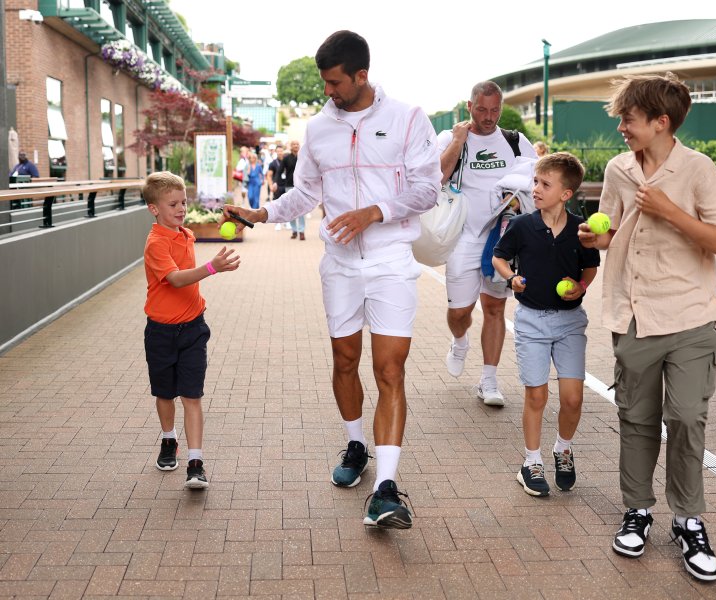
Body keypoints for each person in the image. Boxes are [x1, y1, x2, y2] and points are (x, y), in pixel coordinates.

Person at [224, 30, 440, 528]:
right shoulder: (318, 128)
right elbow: (304, 194)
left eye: (335, 83)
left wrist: (376, 212)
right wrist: (262, 214)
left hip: (390, 261)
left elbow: (428, 189)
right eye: (324, 83)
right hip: (340, 264)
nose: (328, 92)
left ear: (362, 75)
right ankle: (356, 444)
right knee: (345, 359)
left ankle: (386, 489)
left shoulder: (407, 118)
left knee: (390, 370)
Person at [578, 73, 716, 582]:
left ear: (660, 122)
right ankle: (638, 510)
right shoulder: (619, 169)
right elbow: (611, 227)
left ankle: (689, 520)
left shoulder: (698, 169)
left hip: (690, 314)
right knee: (637, 418)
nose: (621, 127)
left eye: (628, 118)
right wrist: (593, 238)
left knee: (688, 417)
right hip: (632, 314)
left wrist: (669, 210)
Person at [492, 152, 599, 497]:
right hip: (531, 321)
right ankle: (532, 461)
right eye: (535, 182)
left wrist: (580, 288)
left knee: (572, 398)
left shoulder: (580, 228)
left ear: (566, 194)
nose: (535, 189)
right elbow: (498, 257)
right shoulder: (522, 225)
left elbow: (590, 267)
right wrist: (511, 279)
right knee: (537, 395)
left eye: (544, 184)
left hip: (570, 323)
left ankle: (562, 449)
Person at [437, 81, 538, 407]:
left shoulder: (514, 141)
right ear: (470, 106)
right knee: (459, 311)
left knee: (495, 308)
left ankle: (489, 380)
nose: (489, 117)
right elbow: (436, 176)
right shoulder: (451, 137)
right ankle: (459, 340)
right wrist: (458, 140)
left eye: (495, 110)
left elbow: (537, 183)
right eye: (482, 110)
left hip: (503, 238)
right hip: (463, 237)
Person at [142, 171, 240, 490]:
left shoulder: (185, 233)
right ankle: (169, 439)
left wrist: (233, 216)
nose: (182, 208)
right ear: (154, 209)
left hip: (194, 329)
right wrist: (213, 268)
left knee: (192, 395)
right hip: (160, 332)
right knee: (164, 393)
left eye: (184, 202)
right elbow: (177, 279)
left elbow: (209, 220)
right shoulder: (156, 243)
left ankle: (195, 463)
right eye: (173, 204)